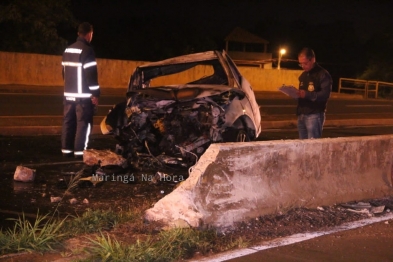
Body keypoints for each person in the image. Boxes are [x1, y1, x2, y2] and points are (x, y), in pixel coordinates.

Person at [61, 22, 100, 158]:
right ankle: (79, 153)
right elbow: (91, 76)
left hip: (68, 95)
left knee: (68, 123)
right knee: (83, 124)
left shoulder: (68, 50)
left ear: (79, 33)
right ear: (89, 34)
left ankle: (66, 151)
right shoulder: (87, 51)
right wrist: (95, 94)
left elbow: (64, 73)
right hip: (83, 97)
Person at [296, 48, 332, 139]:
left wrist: (307, 94)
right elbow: (303, 94)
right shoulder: (303, 75)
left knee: (313, 147)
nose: (303, 66)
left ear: (312, 59)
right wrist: (296, 94)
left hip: (314, 115)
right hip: (301, 114)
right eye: (301, 64)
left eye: (305, 63)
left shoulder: (322, 74)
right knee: (302, 146)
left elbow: (325, 95)